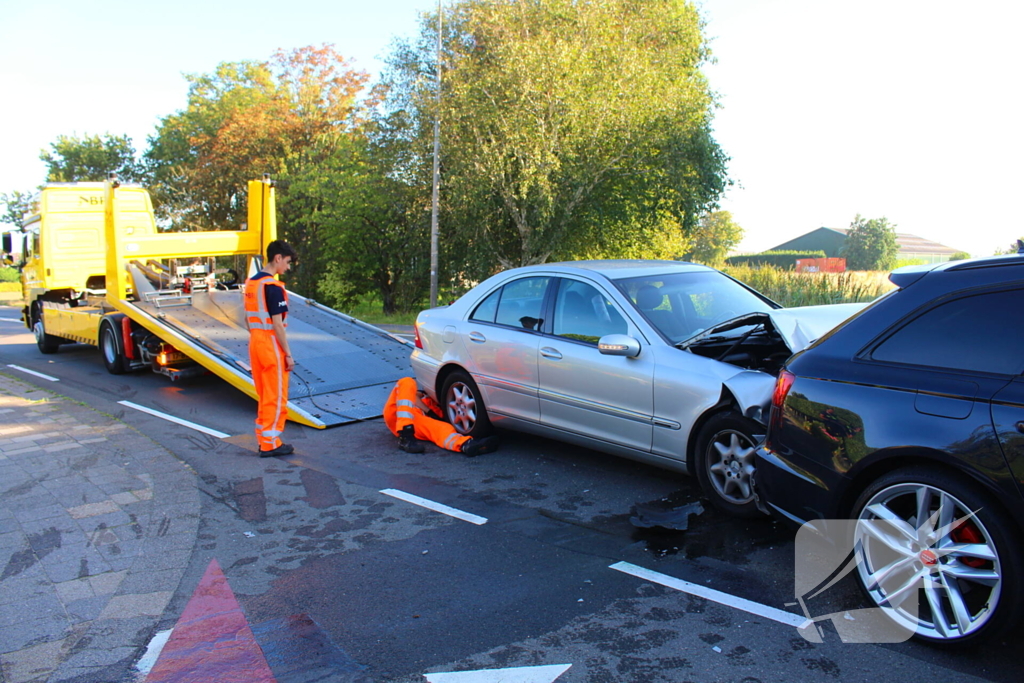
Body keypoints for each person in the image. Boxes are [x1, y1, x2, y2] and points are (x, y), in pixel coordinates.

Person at [244, 240, 297, 457]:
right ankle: (270, 442)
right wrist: (288, 355)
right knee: (276, 395)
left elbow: (248, 319)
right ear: (277, 258)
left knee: (265, 393)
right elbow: (277, 325)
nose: (288, 267)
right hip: (271, 343)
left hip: (256, 342)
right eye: (287, 262)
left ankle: (264, 437)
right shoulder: (273, 287)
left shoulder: (251, 284)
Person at [383, 377, 500, 457]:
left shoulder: (445, 411)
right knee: (407, 381)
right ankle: (405, 433)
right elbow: (414, 396)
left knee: (441, 428)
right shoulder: (426, 396)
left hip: (417, 422)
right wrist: (429, 411)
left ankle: (466, 445)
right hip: (397, 414)